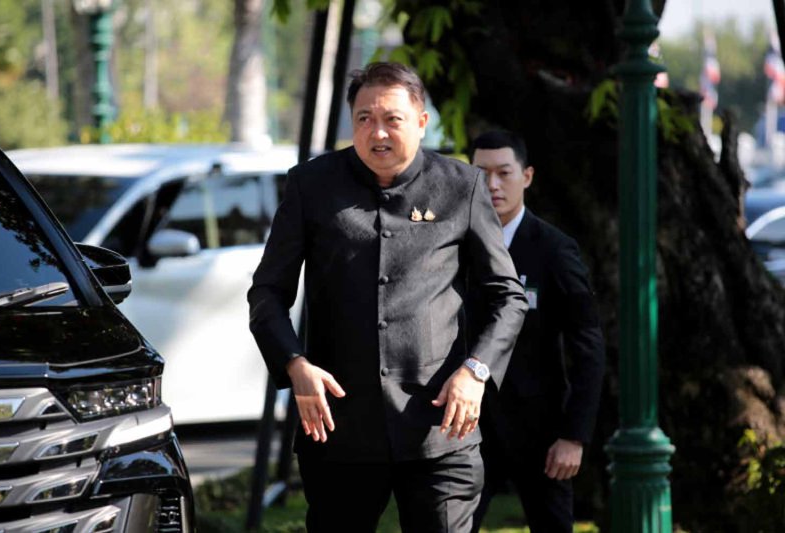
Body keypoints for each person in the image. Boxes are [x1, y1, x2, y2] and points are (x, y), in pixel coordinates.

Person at [247, 63, 527, 532]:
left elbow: (508, 297)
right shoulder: (310, 186)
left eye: (392, 119)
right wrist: (294, 364)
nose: (377, 133)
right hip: (338, 429)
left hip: (441, 429)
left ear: (421, 121)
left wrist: (476, 371)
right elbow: (267, 293)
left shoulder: (462, 186)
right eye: (363, 119)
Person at [469, 131, 606, 532]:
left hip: (540, 431)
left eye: (503, 173)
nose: (493, 185)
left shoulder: (554, 249)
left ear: (526, 176)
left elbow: (588, 347)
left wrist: (574, 437)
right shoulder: (455, 245)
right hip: (467, 426)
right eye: (481, 174)